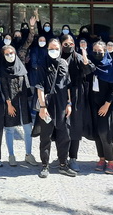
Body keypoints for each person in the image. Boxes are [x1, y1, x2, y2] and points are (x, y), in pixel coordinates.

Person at [33, 38, 76, 179]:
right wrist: (42, 106)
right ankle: (45, 165)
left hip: (62, 105)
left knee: (64, 136)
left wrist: (69, 103)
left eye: (56, 48)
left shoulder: (63, 63)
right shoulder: (42, 63)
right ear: (47, 49)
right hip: (48, 105)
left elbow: (67, 84)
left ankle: (63, 164)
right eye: (51, 48)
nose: (54, 51)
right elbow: (39, 87)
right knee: (46, 137)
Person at [0, 45, 38, 167]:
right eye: (7, 54)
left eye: (12, 53)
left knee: (28, 129)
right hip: (10, 104)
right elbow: (4, 88)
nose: (10, 56)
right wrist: (9, 104)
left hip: (23, 103)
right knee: (10, 129)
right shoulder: (3, 69)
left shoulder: (21, 67)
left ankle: (29, 154)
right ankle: (11, 155)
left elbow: (27, 85)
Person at [87, 41, 113, 174]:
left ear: (105, 51)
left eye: (100, 51)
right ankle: (101, 159)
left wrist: (107, 104)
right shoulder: (91, 65)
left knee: (104, 132)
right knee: (96, 132)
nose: (97, 53)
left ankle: (111, 161)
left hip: (106, 105)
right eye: (94, 50)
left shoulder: (111, 66)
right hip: (93, 104)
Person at [60, 33, 92, 172]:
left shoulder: (77, 57)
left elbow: (89, 69)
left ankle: (73, 157)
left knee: (75, 126)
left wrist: (85, 58)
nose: (69, 46)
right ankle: (62, 157)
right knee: (62, 126)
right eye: (65, 44)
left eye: (71, 44)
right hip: (61, 94)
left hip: (77, 95)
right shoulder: (58, 57)